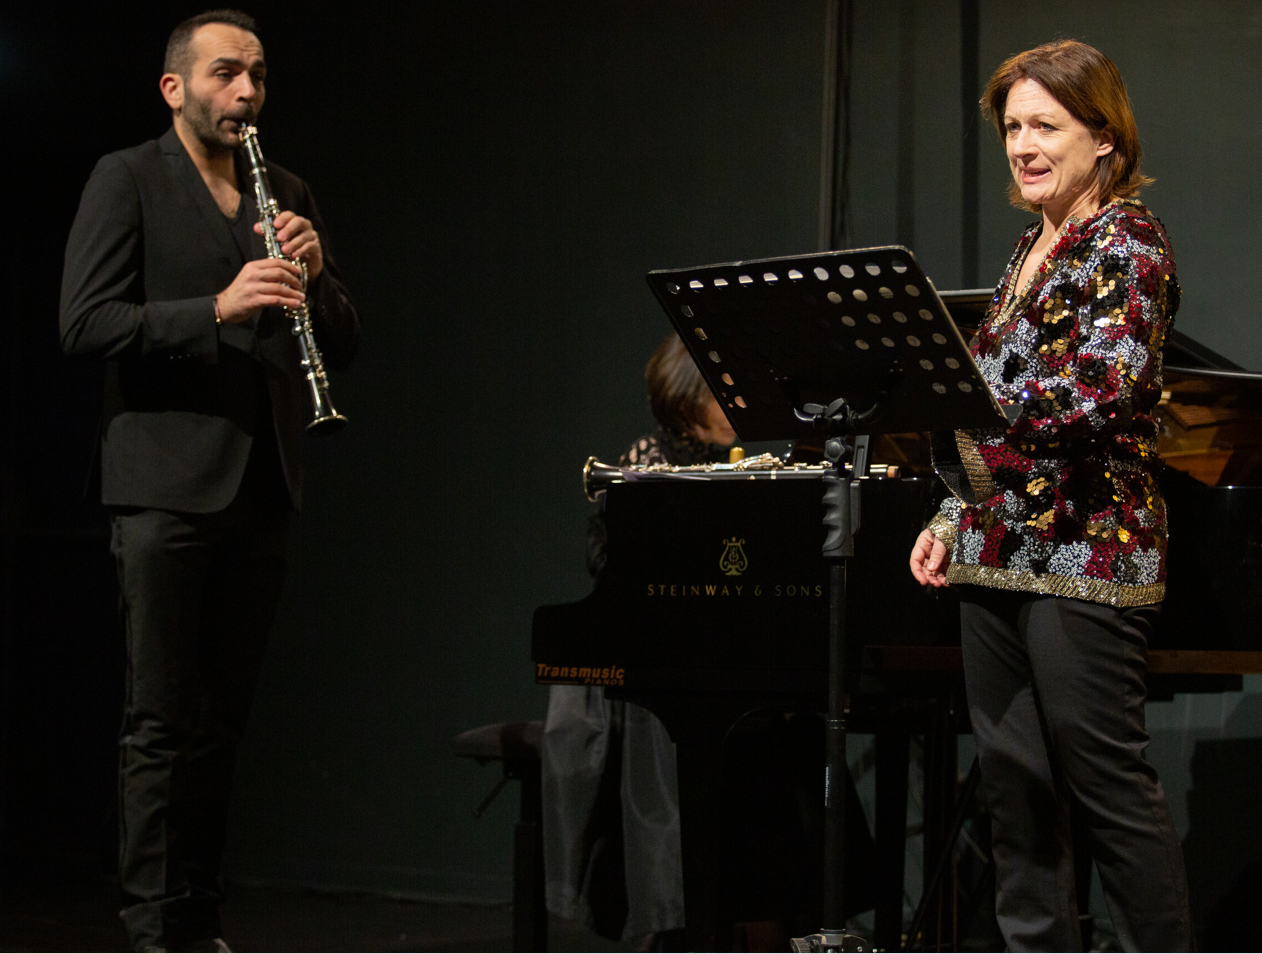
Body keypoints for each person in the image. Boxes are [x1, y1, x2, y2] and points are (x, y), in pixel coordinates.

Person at [59, 9, 360, 951]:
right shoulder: (128, 179)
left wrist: (317, 279)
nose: (246, 93)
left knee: (222, 726)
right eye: (226, 74)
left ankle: (200, 920)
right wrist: (217, 309)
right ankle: (153, 930)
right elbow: (85, 322)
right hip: (164, 492)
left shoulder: (287, 187)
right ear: (175, 87)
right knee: (160, 723)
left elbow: (341, 345)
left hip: (261, 487)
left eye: (258, 77)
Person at [908, 40, 1190, 951]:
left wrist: (978, 441)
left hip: (1088, 550)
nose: (1023, 145)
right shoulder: (1032, 246)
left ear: (1104, 137)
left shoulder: (1129, 241)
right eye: (1013, 127)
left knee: (1107, 792)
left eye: (1045, 126)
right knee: (1014, 794)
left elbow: (1101, 386)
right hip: (997, 554)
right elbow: (987, 394)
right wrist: (952, 515)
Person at [542, 333, 734, 946]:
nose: (735, 405)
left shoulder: (735, 470)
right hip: (640, 661)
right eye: (720, 394)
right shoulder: (644, 465)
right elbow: (618, 581)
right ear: (686, 403)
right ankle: (667, 916)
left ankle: (754, 908)